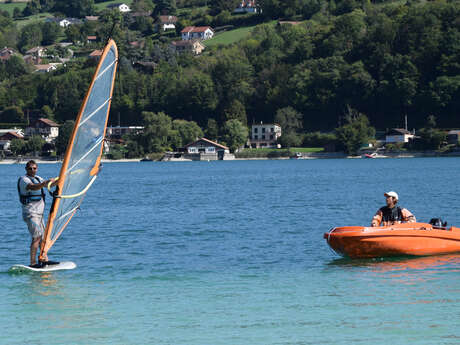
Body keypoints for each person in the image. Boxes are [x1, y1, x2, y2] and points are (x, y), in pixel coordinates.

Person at [18, 160, 57, 268]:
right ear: (26, 169)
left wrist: (59, 180)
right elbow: (33, 187)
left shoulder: (38, 178)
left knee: (43, 238)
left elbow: (50, 185)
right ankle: (33, 263)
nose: (32, 170)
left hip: (39, 215)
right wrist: (45, 183)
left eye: (34, 168)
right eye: (30, 168)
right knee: (37, 237)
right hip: (30, 214)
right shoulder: (24, 180)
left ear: (37, 169)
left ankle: (44, 259)